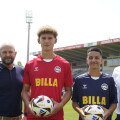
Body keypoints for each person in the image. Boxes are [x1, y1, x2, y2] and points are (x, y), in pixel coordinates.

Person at [21, 25, 73, 120]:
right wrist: (28, 105)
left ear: (55, 40)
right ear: (38, 40)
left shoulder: (64, 64)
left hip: (56, 115)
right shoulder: (30, 64)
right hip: (34, 115)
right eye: (43, 38)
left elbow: (68, 90)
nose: (46, 41)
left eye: (50, 38)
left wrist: (60, 105)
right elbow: (25, 90)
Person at [71, 47, 117, 120]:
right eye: (90, 58)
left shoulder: (109, 80)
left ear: (101, 60)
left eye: (96, 58)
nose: (93, 60)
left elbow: (114, 102)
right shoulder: (79, 80)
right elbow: (74, 102)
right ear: (87, 60)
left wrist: (108, 112)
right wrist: (79, 110)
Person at [0, 43, 24, 120]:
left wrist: (26, 114)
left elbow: (25, 93)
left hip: (18, 117)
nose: (8, 55)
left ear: (15, 53)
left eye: (10, 52)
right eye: (4, 52)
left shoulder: (21, 71)